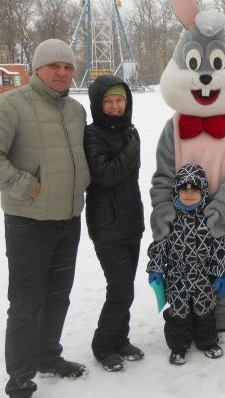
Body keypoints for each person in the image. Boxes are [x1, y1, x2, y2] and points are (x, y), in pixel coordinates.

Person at [0, 39, 91, 397]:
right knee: (25, 301)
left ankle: (48, 355)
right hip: (28, 222)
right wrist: (26, 187)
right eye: (54, 66)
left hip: (68, 218)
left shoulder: (75, 111)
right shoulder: (10, 105)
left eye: (68, 67)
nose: (62, 73)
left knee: (58, 295)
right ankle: (19, 377)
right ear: (36, 68)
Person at [84, 75, 145, 372]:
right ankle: (103, 345)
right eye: (108, 101)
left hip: (131, 220)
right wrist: (131, 149)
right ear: (98, 104)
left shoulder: (129, 131)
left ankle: (121, 338)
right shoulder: (93, 135)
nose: (115, 106)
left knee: (126, 286)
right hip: (106, 222)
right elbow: (106, 174)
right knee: (120, 289)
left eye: (119, 100)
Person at [147, 164, 225, 365]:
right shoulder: (171, 219)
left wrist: (220, 272)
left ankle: (207, 342)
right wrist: (156, 269)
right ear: (176, 191)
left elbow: (221, 247)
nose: (189, 195)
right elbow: (160, 245)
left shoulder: (210, 219)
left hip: (203, 277)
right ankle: (178, 346)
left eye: (195, 190)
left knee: (205, 312)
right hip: (177, 278)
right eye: (184, 190)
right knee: (178, 313)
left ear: (203, 192)